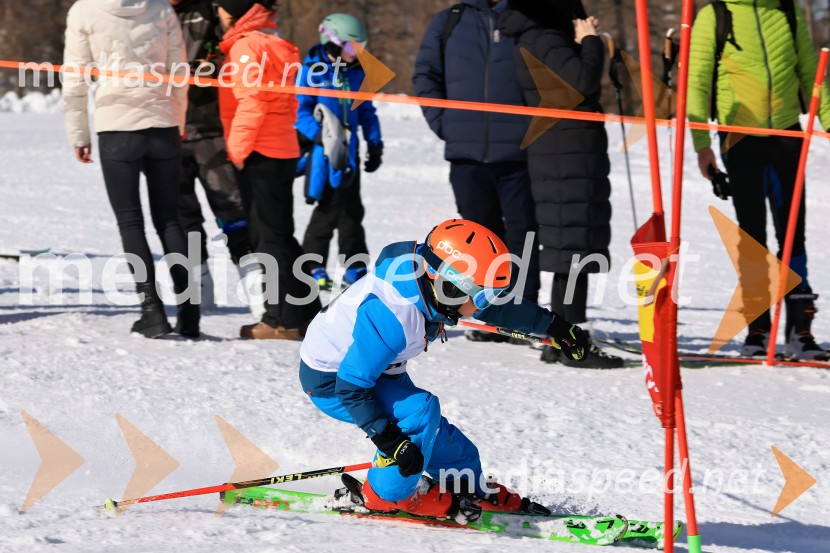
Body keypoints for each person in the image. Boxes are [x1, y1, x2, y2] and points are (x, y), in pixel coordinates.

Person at [299, 219, 589, 519]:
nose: (485, 306)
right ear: (449, 286)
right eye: (483, 296)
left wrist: (554, 326)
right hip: (334, 383)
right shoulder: (393, 315)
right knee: (420, 412)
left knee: (445, 440)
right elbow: (352, 386)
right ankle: (386, 495)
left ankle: (466, 487)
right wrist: (390, 441)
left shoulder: (431, 283)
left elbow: (496, 308)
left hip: (377, 370)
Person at [688, 0, 830, 360]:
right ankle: (758, 327)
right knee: (753, 236)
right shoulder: (715, 14)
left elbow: (811, 71)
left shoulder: (785, 9)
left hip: (786, 134)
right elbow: (697, 80)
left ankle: (800, 329)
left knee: (793, 231)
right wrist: (702, 144)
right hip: (739, 138)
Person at [63, 0, 199, 338]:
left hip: (117, 128)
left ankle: (152, 312)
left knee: (130, 222)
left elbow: (75, 80)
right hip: (163, 124)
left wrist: (79, 134)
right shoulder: (160, 8)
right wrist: (176, 120)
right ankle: (190, 312)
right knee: (169, 219)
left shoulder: (84, 10)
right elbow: (179, 71)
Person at [500, 0, 622, 368]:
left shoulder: (542, 35)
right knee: (573, 248)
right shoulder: (545, 37)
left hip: (566, 151)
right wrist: (590, 42)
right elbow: (582, 83)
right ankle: (571, 344)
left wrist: (586, 42)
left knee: (572, 247)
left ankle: (561, 340)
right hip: (566, 154)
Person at [412, 0, 541, 343]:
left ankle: (523, 315)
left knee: (523, 235)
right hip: (466, 154)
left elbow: (547, 78)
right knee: (477, 239)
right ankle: (488, 315)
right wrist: (447, 124)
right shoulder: (450, 21)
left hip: (520, 154)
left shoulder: (527, 18)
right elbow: (425, 75)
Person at [215, 0, 321, 339]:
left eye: (220, 6)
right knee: (280, 235)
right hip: (281, 147)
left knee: (268, 238)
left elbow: (252, 101)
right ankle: (308, 313)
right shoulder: (274, 41)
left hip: (260, 151)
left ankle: (281, 321)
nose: (217, 12)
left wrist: (237, 149)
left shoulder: (247, 46)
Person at [170, 0, 254, 312]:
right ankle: (198, 294)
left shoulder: (211, 10)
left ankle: (259, 294)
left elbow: (240, 41)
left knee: (234, 211)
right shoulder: (149, 11)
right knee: (181, 217)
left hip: (213, 129)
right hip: (167, 130)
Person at [295, 13, 384, 291]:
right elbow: (299, 110)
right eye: (351, 47)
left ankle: (355, 265)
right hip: (324, 153)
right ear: (332, 42)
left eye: (361, 47)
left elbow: (366, 111)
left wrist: (375, 143)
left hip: (350, 153)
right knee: (328, 207)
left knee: (352, 209)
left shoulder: (357, 71)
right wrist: (318, 135)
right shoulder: (312, 70)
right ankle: (311, 264)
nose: (357, 53)